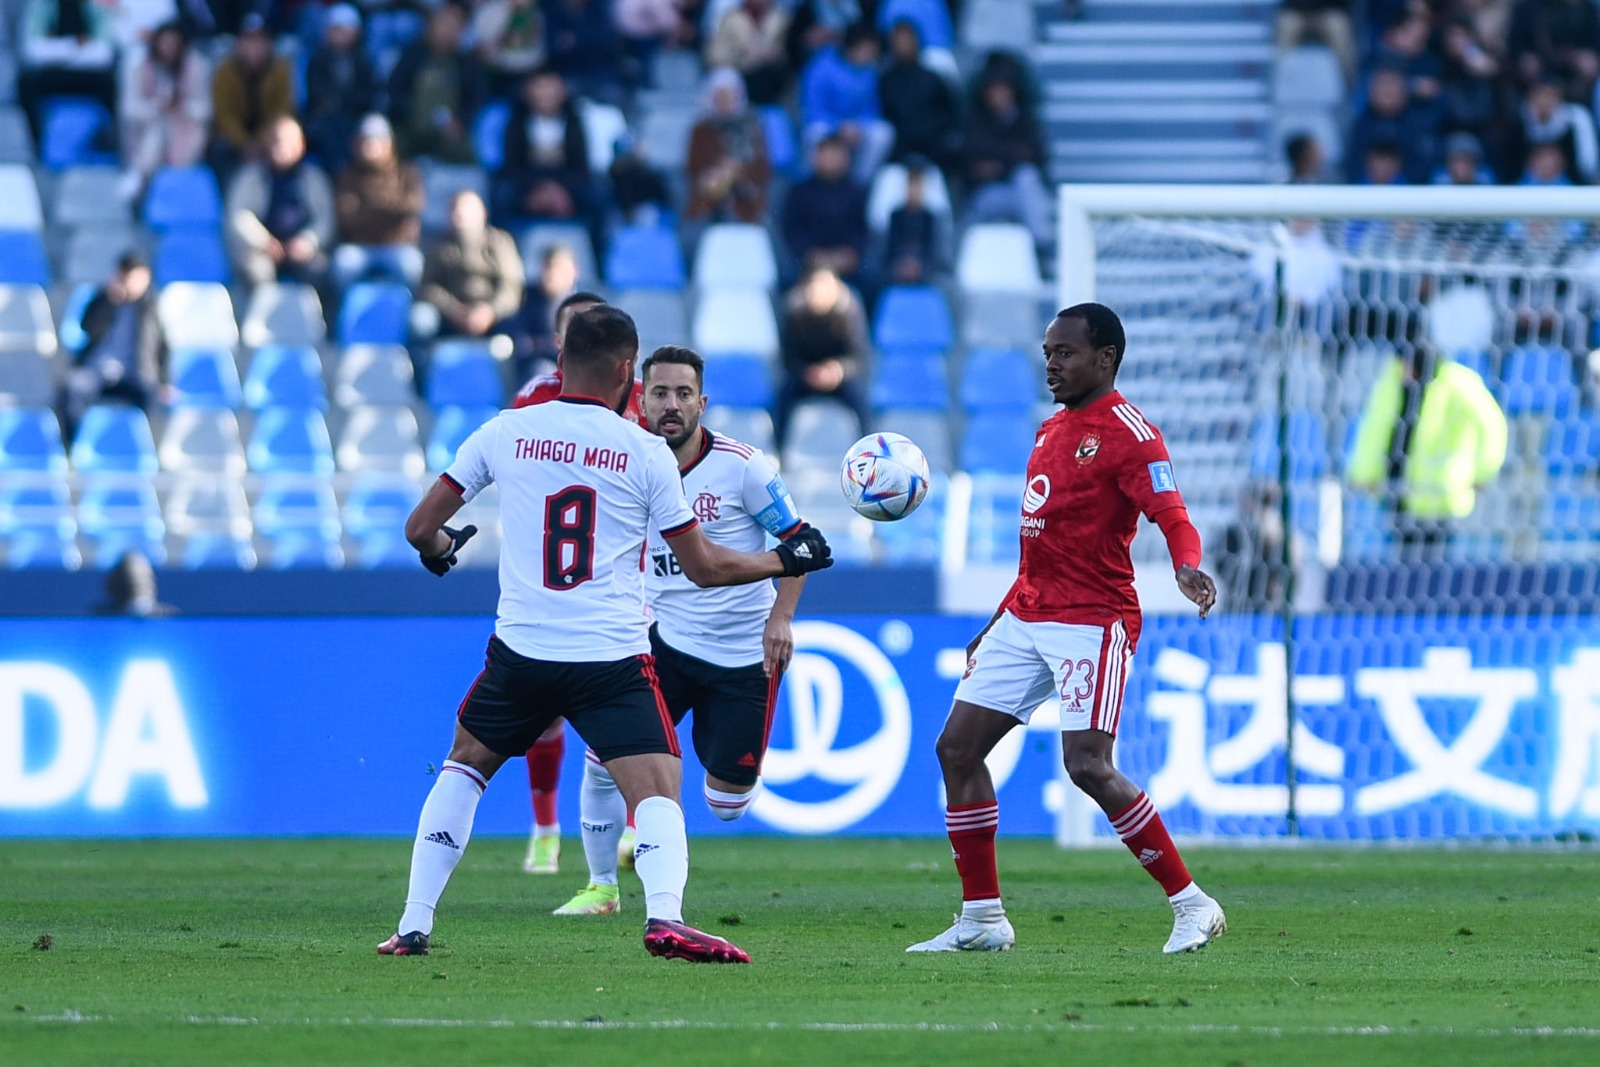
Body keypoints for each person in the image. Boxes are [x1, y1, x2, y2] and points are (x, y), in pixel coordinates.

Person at [380, 304, 835, 960]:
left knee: (465, 766)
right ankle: (665, 917)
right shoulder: (644, 451)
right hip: (610, 657)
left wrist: (441, 546)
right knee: (658, 787)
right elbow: (705, 567)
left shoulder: (505, 431)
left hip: (522, 651)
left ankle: (414, 922)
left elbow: (420, 527)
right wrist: (783, 559)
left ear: (560, 360)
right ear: (629, 372)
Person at [905, 303, 1225, 956]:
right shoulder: (1050, 431)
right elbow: (1038, 550)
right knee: (956, 749)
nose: (1050, 363)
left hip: (1091, 620)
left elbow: (1173, 514)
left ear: (1104, 357)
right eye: (1048, 351)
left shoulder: (1133, 433)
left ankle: (1193, 903)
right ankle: (982, 918)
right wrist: (998, 620)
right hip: (1026, 614)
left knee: (1086, 764)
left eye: (1065, 352)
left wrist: (1187, 567)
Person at [553, 343, 809, 917]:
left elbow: (803, 545)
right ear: (639, 398)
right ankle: (601, 887)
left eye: (683, 394)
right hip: (662, 644)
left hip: (744, 657)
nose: (672, 405)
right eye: (660, 393)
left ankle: (683, 779)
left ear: (702, 402)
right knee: (601, 755)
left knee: (725, 804)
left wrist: (781, 618)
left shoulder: (743, 467)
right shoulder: (625, 460)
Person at [509, 289, 642, 876]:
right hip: (551, 579)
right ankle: (545, 827)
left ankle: (636, 826)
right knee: (545, 715)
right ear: (558, 340)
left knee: (633, 707)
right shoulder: (532, 401)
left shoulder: (638, 400)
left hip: (631, 577)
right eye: (566, 330)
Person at [1347, 339, 1507, 559]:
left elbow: (1492, 424)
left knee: (1433, 568)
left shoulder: (1457, 382)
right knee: (1404, 565)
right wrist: (1364, 473)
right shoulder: (1391, 381)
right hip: (1398, 493)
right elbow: (1374, 430)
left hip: (1438, 497)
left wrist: (1483, 472)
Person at [59, 252, 164, 441]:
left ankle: (141, 445)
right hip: (96, 371)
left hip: (131, 374)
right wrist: (109, 301)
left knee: (151, 394)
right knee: (72, 389)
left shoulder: (149, 309)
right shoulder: (101, 300)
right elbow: (87, 328)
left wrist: (165, 380)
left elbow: (162, 346)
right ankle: (72, 446)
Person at [225, 116, 335, 289]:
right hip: (261, 250)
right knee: (256, 272)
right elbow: (238, 215)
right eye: (276, 141)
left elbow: (325, 218)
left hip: (302, 250)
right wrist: (263, 241)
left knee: (320, 272)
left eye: (289, 143)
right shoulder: (250, 176)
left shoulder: (314, 178)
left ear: (301, 145)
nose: (282, 148)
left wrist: (307, 242)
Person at [775, 266, 871, 445]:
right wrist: (807, 373)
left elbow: (858, 357)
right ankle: (778, 449)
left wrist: (837, 371)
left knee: (859, 398)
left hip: (839, 378)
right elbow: (787, 357)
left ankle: (865, 448)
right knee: (783, 396)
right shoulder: (794, 311)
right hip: (805, 376)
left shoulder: (849, 312)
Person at [415, 190, 525, 342]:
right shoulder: (438, 247)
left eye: (467, 208)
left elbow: (511, 285)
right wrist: (455, 311)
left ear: (483, 214)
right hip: (450, 317)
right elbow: (428, 287)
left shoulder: (500, 243)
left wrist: (489, 312)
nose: (460, 213)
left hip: (494, 317)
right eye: (455, 208)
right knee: (422, 318)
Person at [961, 72, 1052, 254]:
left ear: (1012, 92)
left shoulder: (1026, 122)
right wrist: (1013, 156)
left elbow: (1038, 158)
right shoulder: (976, 123)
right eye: (993, 91)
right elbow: (972, 162)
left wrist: (999, 164)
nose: (997, 96)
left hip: (1021, 192)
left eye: (1002, 90)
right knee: (1028, 186)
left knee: (1027, 177)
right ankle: (1042, 246)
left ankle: (1041, 245)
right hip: (987, 194)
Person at [332, 114, 426, 289]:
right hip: (360, 246)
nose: (369, 148)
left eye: (375, 142)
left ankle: (408, 314)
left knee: (411, 266)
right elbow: (346, 218)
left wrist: (367, 205)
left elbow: (414, 206)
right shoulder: (347, 176)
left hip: (398, 246)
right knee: (343, 263)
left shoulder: (407, 172)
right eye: (364, 142)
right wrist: (392, 209)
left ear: (389, 144)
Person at [120, 21, 211, 197]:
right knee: (156, 133)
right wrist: (157, 107)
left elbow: (206, 110)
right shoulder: (139, 66)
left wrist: (182, 107)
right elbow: (129, 109)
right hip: (147, 129)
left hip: (187, 129)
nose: (169, 49)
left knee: (179, 130)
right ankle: (139, 184)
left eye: (174, 44)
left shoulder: (197, 66)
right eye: (165, 43)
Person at [493, 68, 593, 227]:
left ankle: (598, 248)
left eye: (550, 87)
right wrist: (539, 191)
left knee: (597, 195)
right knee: (502, 193)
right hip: (527, 184)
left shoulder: (574, 121)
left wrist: (557, 191)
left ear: (563, 91)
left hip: (565, 185)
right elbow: (511, 167)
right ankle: (503, 243)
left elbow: (581, 168)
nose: (545, 94)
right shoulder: (517, 122)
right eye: (539, 87)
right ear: (527, 92)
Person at [798, 20, 894, 185]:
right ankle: (812, 183)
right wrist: (838, 127)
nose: (872, 54)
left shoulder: (870, 71)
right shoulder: (821, 66)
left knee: (883, 133)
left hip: (856, 131)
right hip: (827, 126)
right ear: (854, 46)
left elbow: (872, 110)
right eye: (868, 49)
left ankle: (858, 186)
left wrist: (858, 126)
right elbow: (812, 109)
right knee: (815, 132)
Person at [388, 2, 484, 164]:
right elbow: (395, 89)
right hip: (410, 126)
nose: (447, 29)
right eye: (443, 22)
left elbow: (475, 98)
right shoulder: (413, 54)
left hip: (448, 130)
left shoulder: (466, 63)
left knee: (469, 157)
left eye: (455, 25)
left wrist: (460, 121)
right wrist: (412, 114)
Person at [208, 13, 294, 181]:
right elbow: (224, 114)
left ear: (268, 43)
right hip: (235, 138)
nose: (254, 47)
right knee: (219, 151)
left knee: (286, 144)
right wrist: (244, 143)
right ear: (239, 43)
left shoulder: (280, 71)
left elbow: (281, 111)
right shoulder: (226, 71)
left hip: (269, 136)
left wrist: (261, 141)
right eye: (248, 41)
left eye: (259, 41)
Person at [686, 68, 773, 227]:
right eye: (720, 96)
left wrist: (738, 171)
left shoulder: (752, 126)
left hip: (746, 199)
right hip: (708, 198)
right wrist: (717, 172)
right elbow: (694, 167)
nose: (725, 101)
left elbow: (762, 168)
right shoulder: (701, 129)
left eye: (730, 96)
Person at [18, 0, 117, 138]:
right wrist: (76, 46)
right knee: (25, 83)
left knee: (112, 84)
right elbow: (32, 51)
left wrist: (54, 48)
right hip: (52, 75)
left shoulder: (97, 5)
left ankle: (110, 139)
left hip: (88, 75)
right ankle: (35, 139)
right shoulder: (42, 5)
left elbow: (104, 54)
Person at [780, 134, 869, 284]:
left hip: (846, 262)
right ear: (816, 156)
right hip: (807, 262)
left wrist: (849, 254)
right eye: (827, 153)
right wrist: (809, 254)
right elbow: (791, 229)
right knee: (785, 279)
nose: (832, 159)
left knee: (872, 280)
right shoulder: (799, 191)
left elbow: (861, 230)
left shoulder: (856, 191)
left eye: (837, 153)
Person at [303, 4, 379, 173]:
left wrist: (342, 102)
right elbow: (316, 93)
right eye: (336, 29)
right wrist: (337, 102)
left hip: (354, 117)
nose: (340, 35)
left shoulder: (363, 62)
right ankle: (339, 173)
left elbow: (368, 95)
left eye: (345, 30)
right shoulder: (318, 59)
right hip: (323, 118)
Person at [877, 19, 957, 173]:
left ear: (917, 41)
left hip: (934, 155)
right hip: (895, 159)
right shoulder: (884, 81)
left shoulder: (934, 79)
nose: (903, 44)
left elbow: (951, 115)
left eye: (907, 39)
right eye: (898, 40)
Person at [1345, 67, 1437, 185]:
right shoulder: (1360, 124)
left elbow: (1422, 166)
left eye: (1392, 85)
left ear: (1403, 91)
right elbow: (1351, 165)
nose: (1387, 91)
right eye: (1382, 85)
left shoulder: (1416, 124)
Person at [505, 243, 580, 387]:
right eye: (548, 267)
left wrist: (543, 344)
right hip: (535, 369)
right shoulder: (525, 299)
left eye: (560, 269)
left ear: (574, 272)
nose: (552, 274)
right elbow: (520, 341)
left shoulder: (586, 306)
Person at [1512, 78, 1599, 184]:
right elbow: (1511, 163)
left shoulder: (1574, 121)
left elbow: (1586, 164)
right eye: (1540, 95)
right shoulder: (1518, 121)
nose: (1544, 101)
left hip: (1569, 183)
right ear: (1530, 98)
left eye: (1550, 96)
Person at [706, 0, 792, 106]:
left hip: (772, 77)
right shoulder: (731, 18)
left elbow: (787, 53)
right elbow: (715, 55)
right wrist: (743, 56)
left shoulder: (782, 19)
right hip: (740, 74)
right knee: (726, 78)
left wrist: (770, 54)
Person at [543, 0, 629, 104]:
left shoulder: (600, 6)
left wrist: (575, 39)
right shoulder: (551, 9)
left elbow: (612, 40)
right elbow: (553, 48)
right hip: (568, 74)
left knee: (615, 96)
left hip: (603, 73)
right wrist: (590, 38)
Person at [880, 159, 949, 284]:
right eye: (911, 184)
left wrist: (918, 264)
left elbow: (934, 250)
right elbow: (889, 250)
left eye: (918, 185)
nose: (914, 190)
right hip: (898, 267)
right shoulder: (896, 215)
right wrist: (903, 263)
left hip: (925, 269)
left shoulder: (930, 218)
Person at [473, 0, 546, 95]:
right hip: (497, 77)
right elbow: (484, 52)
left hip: (532, 75)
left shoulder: (540, 11)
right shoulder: (489, 11)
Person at [93, 551, 177, 617]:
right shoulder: (100, 617)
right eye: (134, 575)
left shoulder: (171, 617)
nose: (141, 582)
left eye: (146, 577)